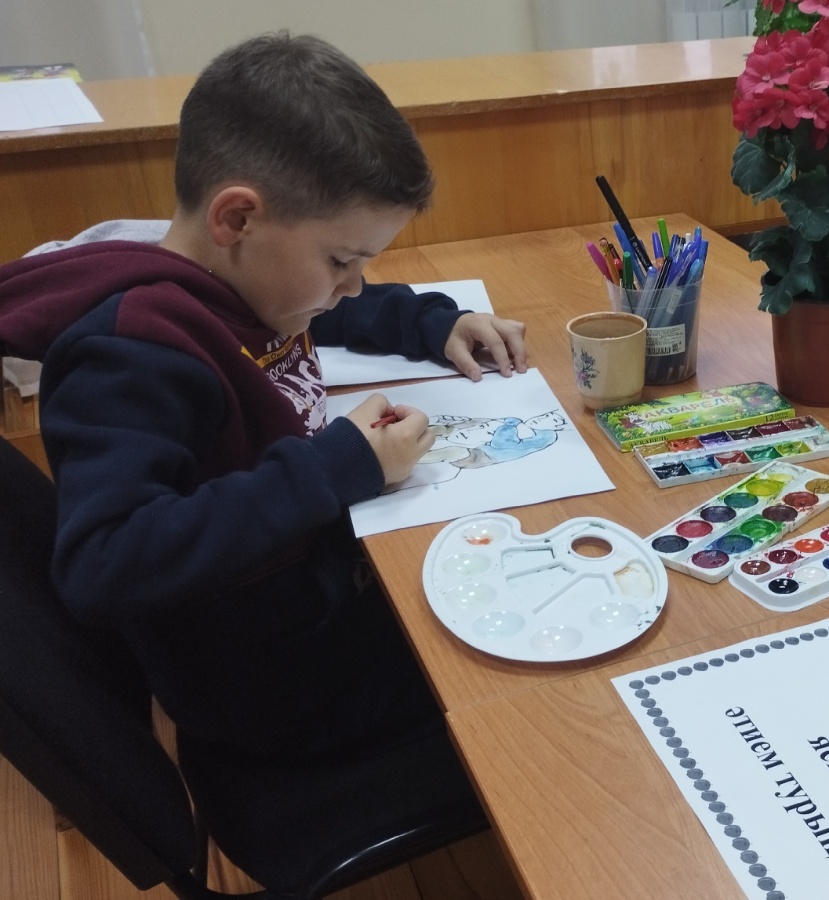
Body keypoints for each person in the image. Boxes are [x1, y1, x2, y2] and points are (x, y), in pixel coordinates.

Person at [0, 32, 526, 766]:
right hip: (269, 687)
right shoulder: (128, 360)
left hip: (313, 600)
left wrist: (432, 323)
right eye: (341, 259)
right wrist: (335, 467)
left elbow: (319, 309)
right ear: (238, 220)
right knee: (521, 679)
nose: (349, 286)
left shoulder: (237, 281)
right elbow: (103, 564)